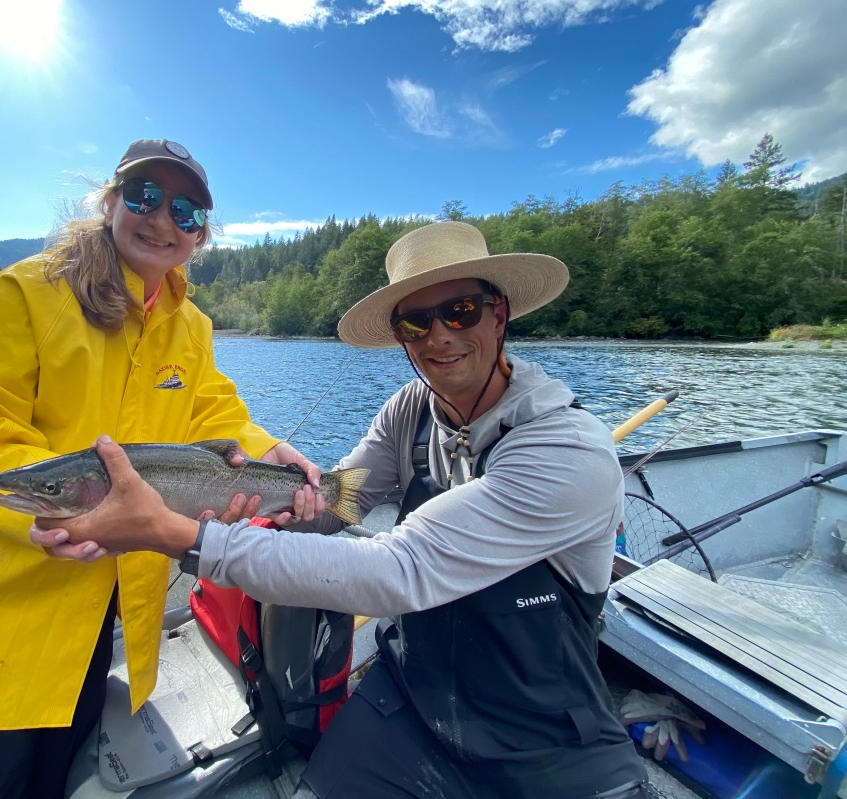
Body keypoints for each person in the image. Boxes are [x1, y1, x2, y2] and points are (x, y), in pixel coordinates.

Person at [37, 220, 651, 798]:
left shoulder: (567, 450)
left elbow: (399, 572)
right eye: (417, 322)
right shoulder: (409, 412)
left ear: (500, 314)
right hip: (411, 696)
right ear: (400, 338)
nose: (440, 336)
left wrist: (175, 536)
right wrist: (279, 508)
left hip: (545, 727)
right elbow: (337, 502)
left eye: (460, 311)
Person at [0, 138, 321, 799]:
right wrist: (64, 507)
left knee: (60, 775)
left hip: (91, 613)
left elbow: (214, 415)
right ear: (110, 203)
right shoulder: (23, 294)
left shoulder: (189, 326)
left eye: (186, 211)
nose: (163, 220)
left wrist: (268, 453)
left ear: (201, 235)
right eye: (144, 197)